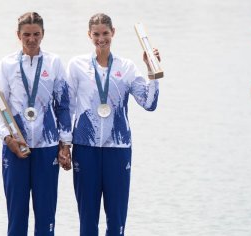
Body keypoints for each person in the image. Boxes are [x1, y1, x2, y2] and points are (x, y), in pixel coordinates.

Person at [66, 13, 161, 236]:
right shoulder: (77, 66)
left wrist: (152, 71)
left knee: (116, 219)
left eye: (105, 33)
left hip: (117, 150)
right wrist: (65, 144)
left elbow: (149, 104)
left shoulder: (126, 67)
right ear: (89, 35)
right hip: (85, 148)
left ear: (113, 33)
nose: (101, 39)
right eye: (96, 34)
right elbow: (67, 107)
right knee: (87, 219)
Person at [0, 12, 72, 236]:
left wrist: (65, 144)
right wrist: (7, 138)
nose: (31, 39)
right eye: (26, 34)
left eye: (36, 34)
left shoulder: (54, 62)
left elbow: (63, 104)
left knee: (46, 216)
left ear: (43, 34)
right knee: (17, 216)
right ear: (18, 35)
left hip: (46, 147)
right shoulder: (7, 64)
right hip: (16, 146)